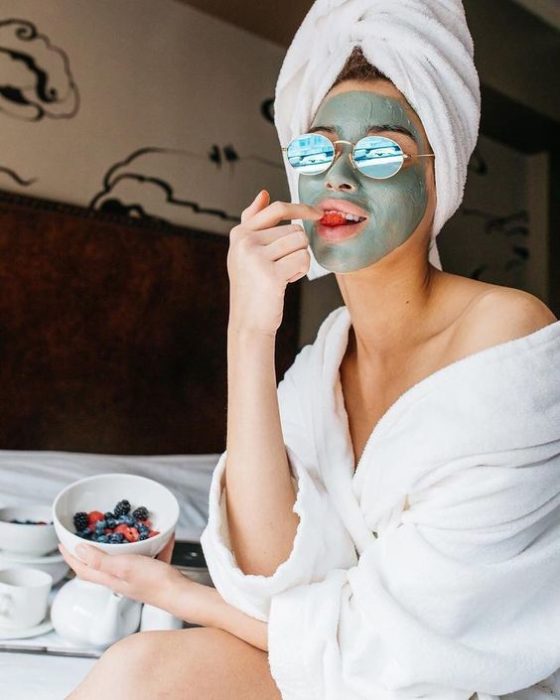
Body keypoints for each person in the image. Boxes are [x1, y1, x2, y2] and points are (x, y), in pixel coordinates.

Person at [60, 25, 560, 700]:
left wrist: (183, 594)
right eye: (315, 151)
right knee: (134, 669)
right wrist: (248, 330)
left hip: (452, 686)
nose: (339, 176)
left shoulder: (507, 342)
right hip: (347, 669)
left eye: (381, 152)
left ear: (440, 177)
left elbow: (403, 654)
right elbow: (271, 571)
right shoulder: (328, 352)